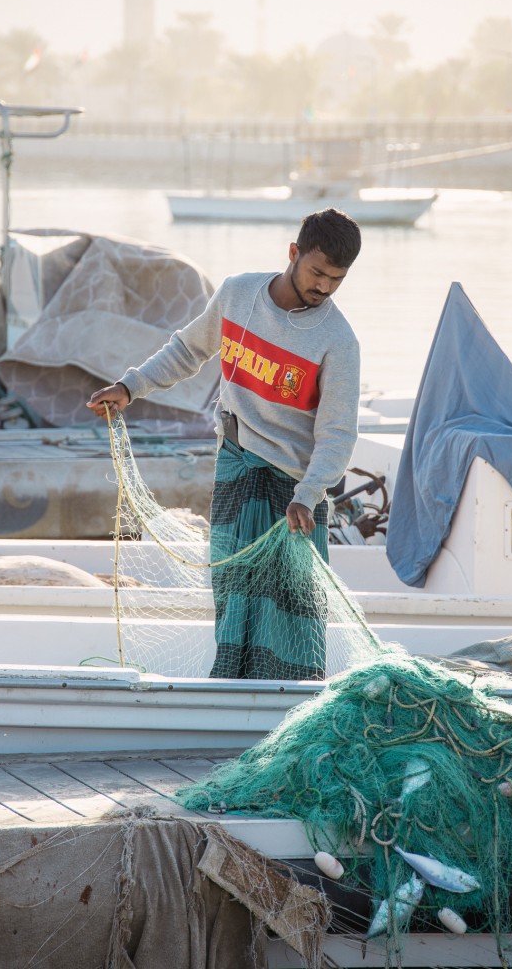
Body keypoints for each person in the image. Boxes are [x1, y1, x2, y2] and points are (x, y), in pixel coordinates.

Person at [87, 207, 362, 680]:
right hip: (236, 467)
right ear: (293, 254)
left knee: (288, 614)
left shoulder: (338, 341)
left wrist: (309, 494)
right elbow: (187, 350)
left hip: (294, 493)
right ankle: (231, 694)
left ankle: (287, 708)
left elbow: (337, 434)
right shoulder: (238, 294)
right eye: (317, 273)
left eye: (336, 280)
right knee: (233, 591)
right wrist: (130, 387)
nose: (324, 288)